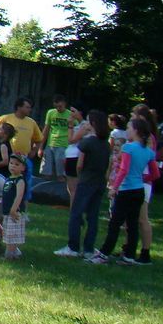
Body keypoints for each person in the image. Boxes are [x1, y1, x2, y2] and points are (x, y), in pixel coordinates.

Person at [89, 117, 159, 265]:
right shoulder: (148, 151)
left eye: (129, 128)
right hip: (139, 190)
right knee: (132, 224)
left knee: (115, 223)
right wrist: (142, 178)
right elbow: (155, 174)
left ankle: (104, 254)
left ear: (136, 131)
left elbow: (123, 169)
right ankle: (129, 255)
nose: (127, 130)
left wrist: (114, 187)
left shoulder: (128, 148)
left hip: (126, 190)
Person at [55, 109, 110, 259]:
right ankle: (88, 249)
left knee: (76, 214)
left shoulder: (87, 142)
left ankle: (73, 247)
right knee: (93, 216)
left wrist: (80, 176)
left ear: (92, 124)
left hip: (86, 181)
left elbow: (79, 164)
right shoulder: (106, 144)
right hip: (100, 183)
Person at [131, 103, 159, 264]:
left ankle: (145, 253)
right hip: (136, 180)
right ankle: (128, 248)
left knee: (142, 218)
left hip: (143, 181)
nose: (132, 119)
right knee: (132, 219)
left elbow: (148, 161)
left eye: (133, 116)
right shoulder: (141, 138)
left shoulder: (148, 139)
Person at [63, 105, 93, 206]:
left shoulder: (85, 125)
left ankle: (74, 212)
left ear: (79, 112)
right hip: (70, 156)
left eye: (73, 111)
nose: (70, 113)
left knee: (74, 188)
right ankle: (74, 211)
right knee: (71, 188)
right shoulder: (80, 125)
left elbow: (71, 140)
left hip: (75, 157)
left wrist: (70, 125)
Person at [39, 94, 73, 182]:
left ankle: (61, 191)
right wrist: (41, 147)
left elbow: (76, 128)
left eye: (60, 106)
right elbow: (46, 129)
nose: (58, 108)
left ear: (65, 104)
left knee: (61, 173)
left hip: (63, 144)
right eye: (56, 106)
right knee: (46, 172)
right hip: (50, 143)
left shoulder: (70, 115)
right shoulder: (51, 112)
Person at [1, 154, 28, 260]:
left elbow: (19, 195)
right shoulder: (9, 179)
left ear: (23, 168)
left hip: (14, 212)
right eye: (11, 163)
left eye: (17, 164)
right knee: (8, 233)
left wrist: (13, 209)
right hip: (7, 211)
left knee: (12, 235)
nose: (13, 166)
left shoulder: (20, 180)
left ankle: (9, 255)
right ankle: (14, 254)